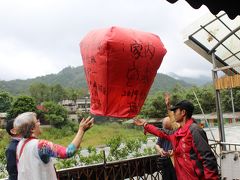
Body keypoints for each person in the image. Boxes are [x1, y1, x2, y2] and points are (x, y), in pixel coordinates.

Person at [134, 100, 219, 180]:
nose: (173, 114)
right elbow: (162, 133)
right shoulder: (179, 132)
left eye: (175, 111)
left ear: (183, 112)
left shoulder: (194, 130)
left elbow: (208, 159)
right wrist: (145, 125)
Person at [14, 112, 94, 180]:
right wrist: (81, 130)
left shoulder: (20, 145)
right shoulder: (41, 145)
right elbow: (68, 152)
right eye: (37, 121)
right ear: (32, 129)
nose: (39, 122)